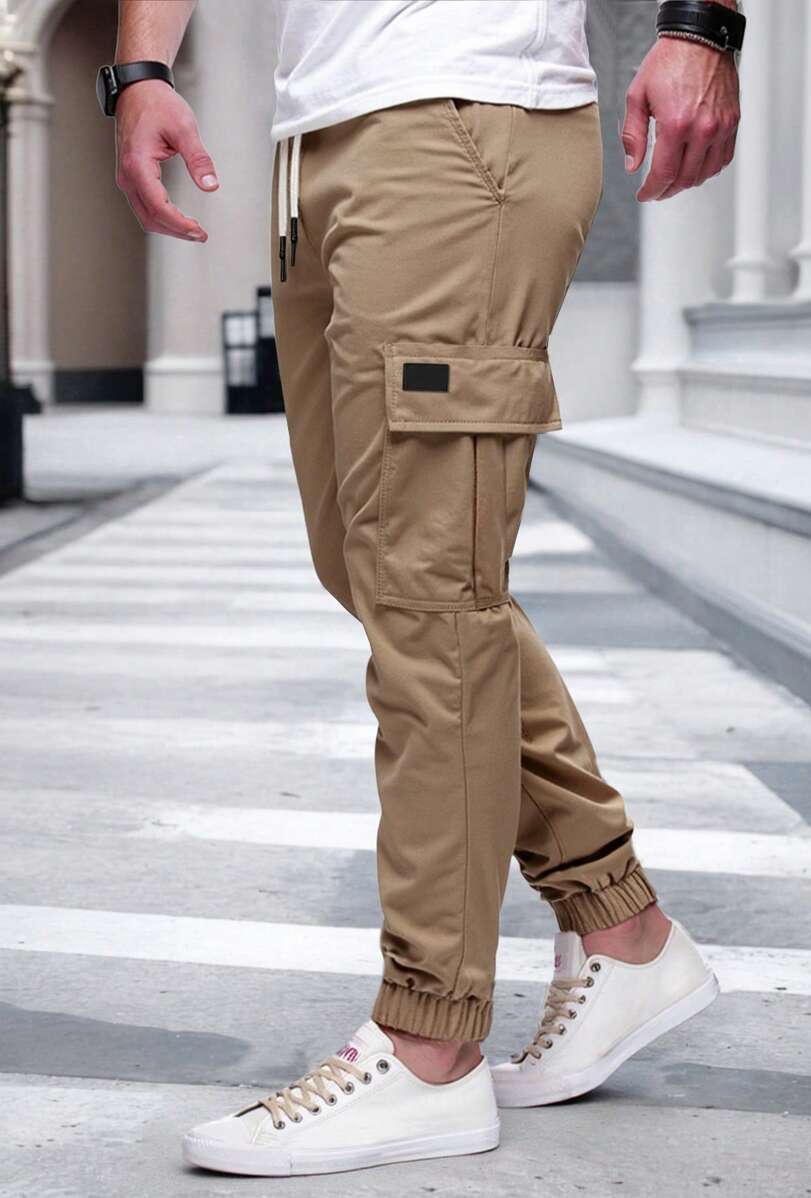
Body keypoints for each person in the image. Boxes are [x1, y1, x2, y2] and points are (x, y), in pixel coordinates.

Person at [106, 0, 742, 1178]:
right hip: (322, 135)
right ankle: (621, 924)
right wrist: (139, 65)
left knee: (426, 591)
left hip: (463, 115)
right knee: (382, 566)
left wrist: (702, 25)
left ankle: (429, 1045)